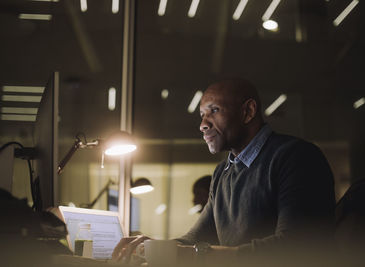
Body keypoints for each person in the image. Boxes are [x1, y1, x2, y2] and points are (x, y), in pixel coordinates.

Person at [112, 78, 336, 266]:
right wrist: (152, 247)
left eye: (214, 111)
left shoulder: (296, 157)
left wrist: (193, 254)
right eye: (202, 115)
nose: (203, 124)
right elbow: (195, 239)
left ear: (248, 111)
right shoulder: (223, 172)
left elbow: (296, 248)